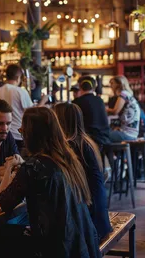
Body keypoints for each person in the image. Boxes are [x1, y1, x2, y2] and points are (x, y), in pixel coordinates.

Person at [0, 107, 100, 258]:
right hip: (80, 242)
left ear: (31, 135)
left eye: (22, 131)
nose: (22, 136)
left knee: (2, 236)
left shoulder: (33, 166)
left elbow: (4, 202)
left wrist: (8, 168)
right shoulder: (69, 160)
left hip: (53, 248)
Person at [54, 102, 112, 241]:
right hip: (100, 218)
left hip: (91, 223)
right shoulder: (85, 142)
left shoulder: (71, 146)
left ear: (59, 121)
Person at [0, 64, 46, 149]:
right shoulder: (20, 92)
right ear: (18, 77)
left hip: (0, 136)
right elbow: (33, 113)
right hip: (18, 136)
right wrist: (43, 100)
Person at [72, 75, 110, 150]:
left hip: (90, 139)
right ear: (93, 88)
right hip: (105, 137)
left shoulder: (77, 102)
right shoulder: (100, 100)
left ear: (80, 87)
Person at [106, 75, 140, 142]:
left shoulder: (123, 94)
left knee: (101, 136)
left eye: (112, 83)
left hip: (128, 134)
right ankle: (118, 152)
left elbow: (115, 111)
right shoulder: (127, 94)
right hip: (131, 133)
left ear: (119, 84)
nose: (110, 86)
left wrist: (102, 109)